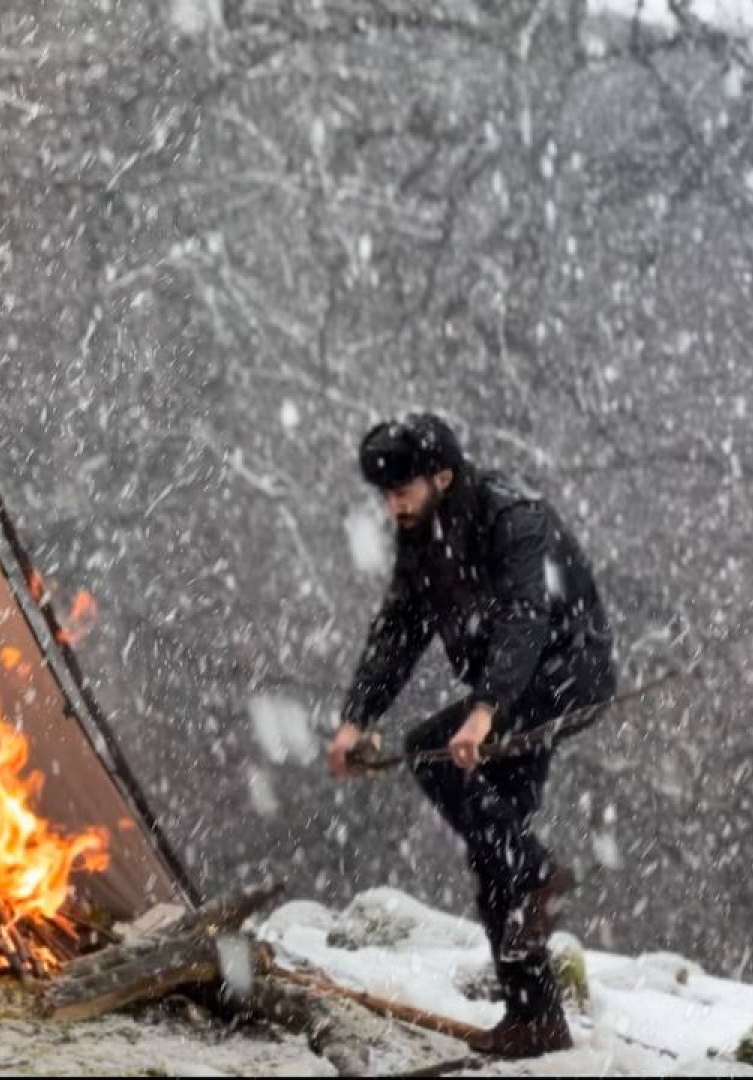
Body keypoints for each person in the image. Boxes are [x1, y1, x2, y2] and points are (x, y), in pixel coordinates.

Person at [326, 413, 615, 1058]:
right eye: (386, 496)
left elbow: (525, 618)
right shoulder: (421, 537)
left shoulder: (513, 519)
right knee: (493, 844)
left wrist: (484, 710)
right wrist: (356, 719)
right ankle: (536, 1017)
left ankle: (536, 872)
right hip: (508, 688)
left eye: (403, 492)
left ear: (443, 477)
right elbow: (398, 630)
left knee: (438, 760)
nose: (394, 507)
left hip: (568, 673)